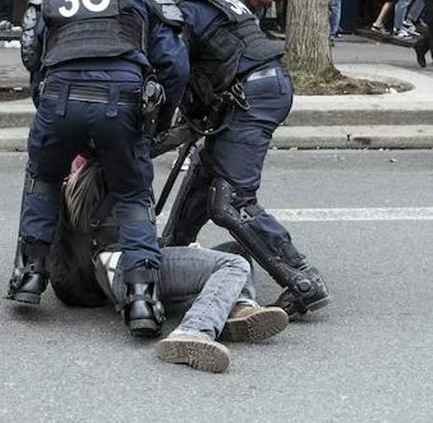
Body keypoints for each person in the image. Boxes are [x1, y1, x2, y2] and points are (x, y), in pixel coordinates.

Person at [127, 0, 331, 320]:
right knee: (205, 176)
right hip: (253, 91)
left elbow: (173, 73)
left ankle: (302, 279)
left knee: (231, 201)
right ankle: (171, 250)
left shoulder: (181, 9)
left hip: (251, 95)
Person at [6, 0, 188, 337]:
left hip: (58, 100)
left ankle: (30, 277)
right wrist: (156, 120)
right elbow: (173, 63)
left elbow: (33, 62)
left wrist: (53, 114)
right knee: (132, 195)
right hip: (121, 103)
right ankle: (141, 299)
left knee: (44, 180)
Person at [57, 158, 289, 373]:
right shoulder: (114, 170)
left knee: (236, 249)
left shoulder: (86, 172)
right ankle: (193, 330)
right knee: (233, 264)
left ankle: (237, 309)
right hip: (127, 271)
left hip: (127, 265)